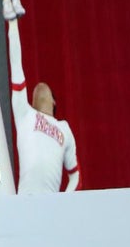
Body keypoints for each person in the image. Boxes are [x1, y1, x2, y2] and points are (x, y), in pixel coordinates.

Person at [8, 20, 80, 194]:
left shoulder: (64, 128)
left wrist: (63, 202)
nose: (38, 86)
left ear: (54, 102)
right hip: (25, 200)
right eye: (34, 89)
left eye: (45, 88)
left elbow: (76, 176)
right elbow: (16, 65)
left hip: (50, 207)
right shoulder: (24, 113)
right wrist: (13, 24)